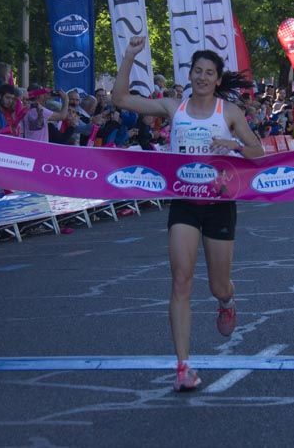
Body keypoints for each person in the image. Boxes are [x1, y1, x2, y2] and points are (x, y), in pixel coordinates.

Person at [112, 36, 263, 393]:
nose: (202, 78)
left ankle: (226, 301)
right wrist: (131, 56)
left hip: (219, 204)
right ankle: (183, 366)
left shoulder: (229, 113)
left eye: (209, 73)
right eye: (197, 71)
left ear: (217, 78)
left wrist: (234, 145)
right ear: (190, 74)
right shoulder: (172, 107)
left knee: (216, 285)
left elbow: (258, 153)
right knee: (181, 281)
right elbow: (119, 99)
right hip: (183, 202)